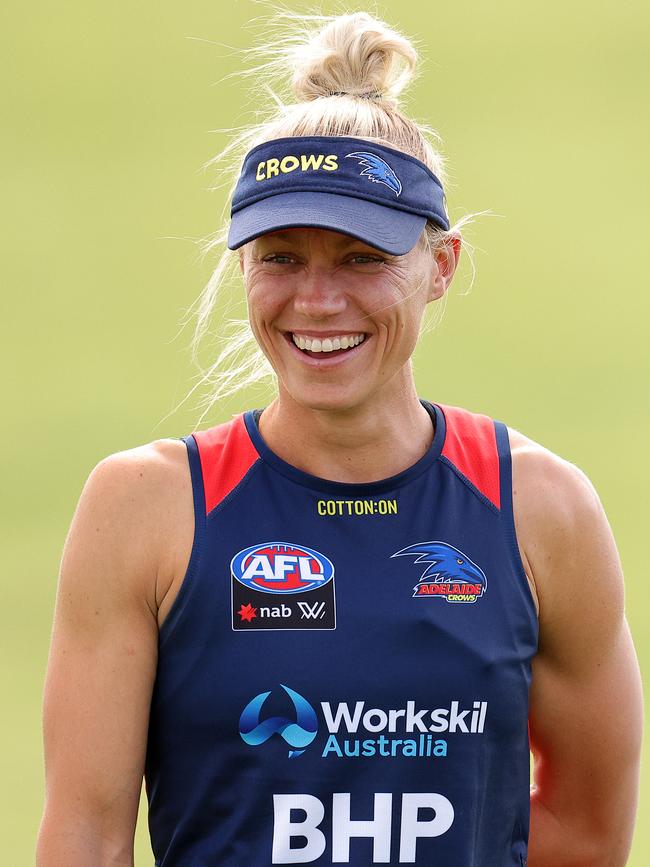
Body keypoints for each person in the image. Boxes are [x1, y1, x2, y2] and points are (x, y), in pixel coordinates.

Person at [36, 11, 642, 867]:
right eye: (281, 257)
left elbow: (585, 827)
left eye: (363, 258)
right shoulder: (145, 508)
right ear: (241, 265)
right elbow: (86, 839)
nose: (318, 303)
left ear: (440, 267)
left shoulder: (540, 509)